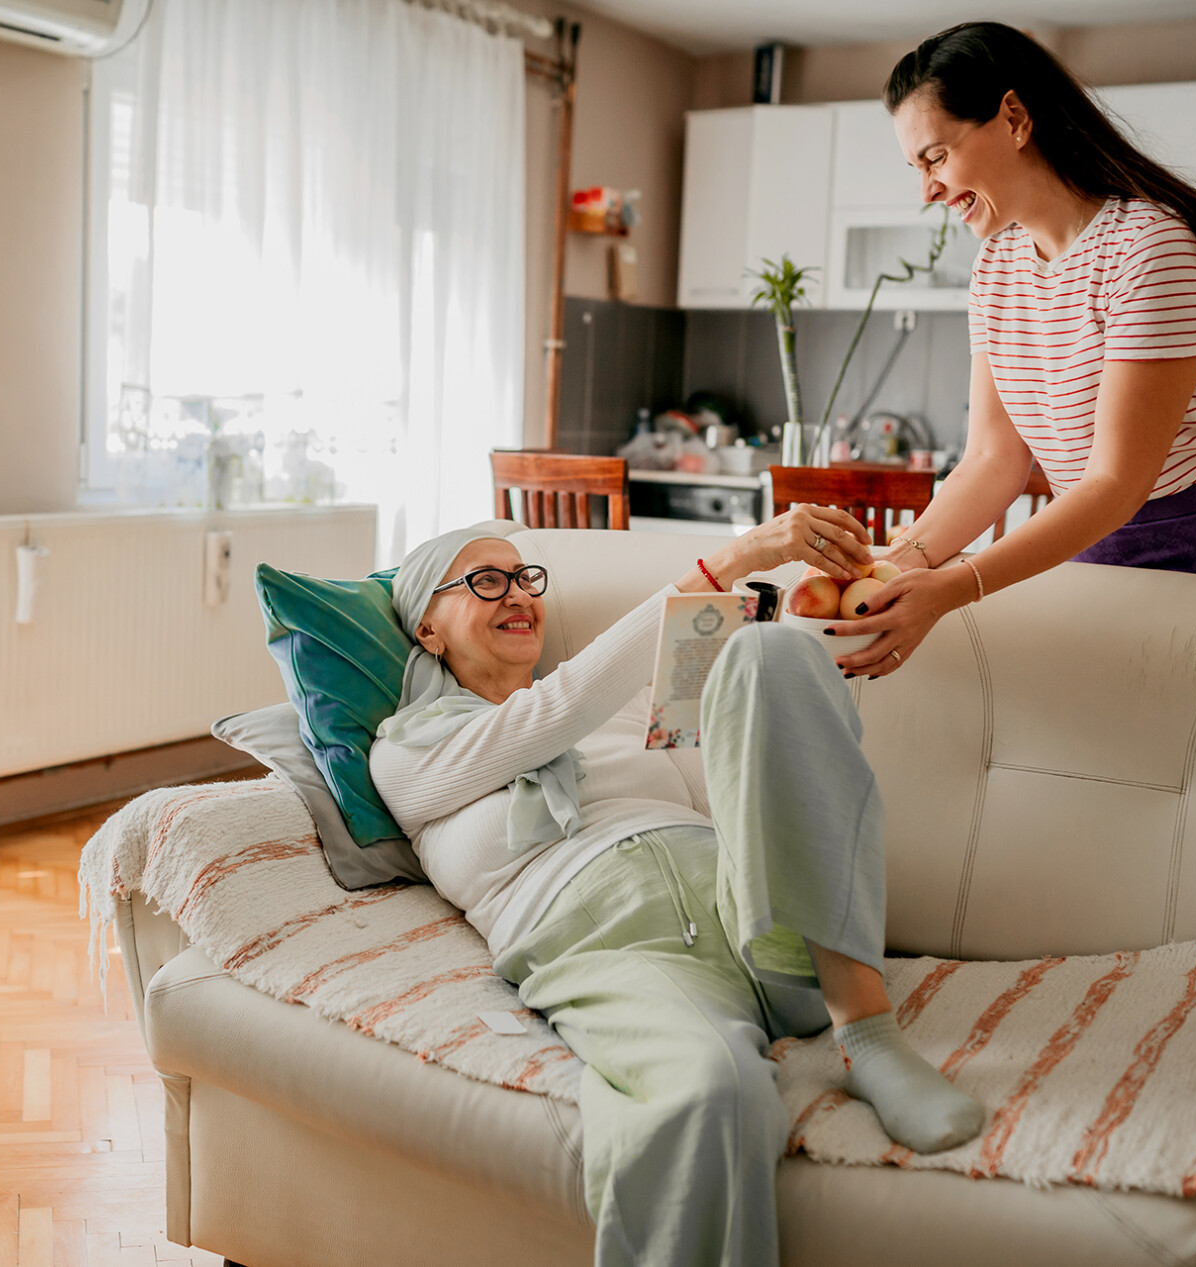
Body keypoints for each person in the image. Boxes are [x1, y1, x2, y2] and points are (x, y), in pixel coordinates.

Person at [368, 518, 986, 1267]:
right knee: (707, 1093)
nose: (519, 593)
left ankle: (868, 1035)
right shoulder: (408, 750)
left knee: (769, 651)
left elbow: (745, 794)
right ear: (428, 628)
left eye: (525, 576)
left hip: (756, 920)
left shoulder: (624, 711)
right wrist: (732, 559)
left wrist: (780, 662)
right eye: (486, 580)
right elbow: (548, 715)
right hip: (616, 953)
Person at [831, 22, 1196, 683]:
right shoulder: (997, 263)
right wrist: (900, 561)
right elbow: (993, 461)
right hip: (1091, 541)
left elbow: (1116, 484)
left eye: (936, 157)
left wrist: (953, 586)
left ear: (1015, 118)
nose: (927, 192)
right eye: (917, 168)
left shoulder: (1151, 250)